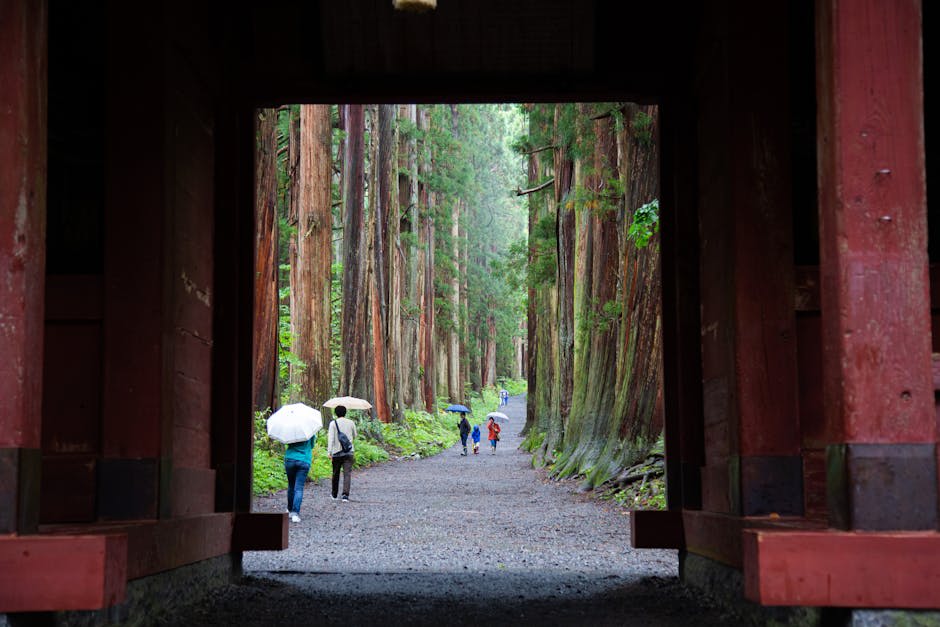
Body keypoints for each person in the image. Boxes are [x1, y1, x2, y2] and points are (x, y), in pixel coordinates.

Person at [328, 406, 358, 502]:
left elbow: (331, 439)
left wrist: (329, 452)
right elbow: (355, 435)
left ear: (336, 413)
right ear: (345, 412)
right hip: (349, 452)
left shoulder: (333, 423)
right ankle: (345, 495)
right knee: (347, 474)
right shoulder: (351, 422)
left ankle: (334, 494)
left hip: (336, 453)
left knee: (335, 473)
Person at [284, 432, 316, 523]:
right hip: (303, 460)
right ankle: (295, 513)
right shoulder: (309, 431)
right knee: (298, 488)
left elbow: (287, 442)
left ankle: (289, 509)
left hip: (290, 458)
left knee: (291, 485)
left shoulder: (291, 430)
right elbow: (312, 445)